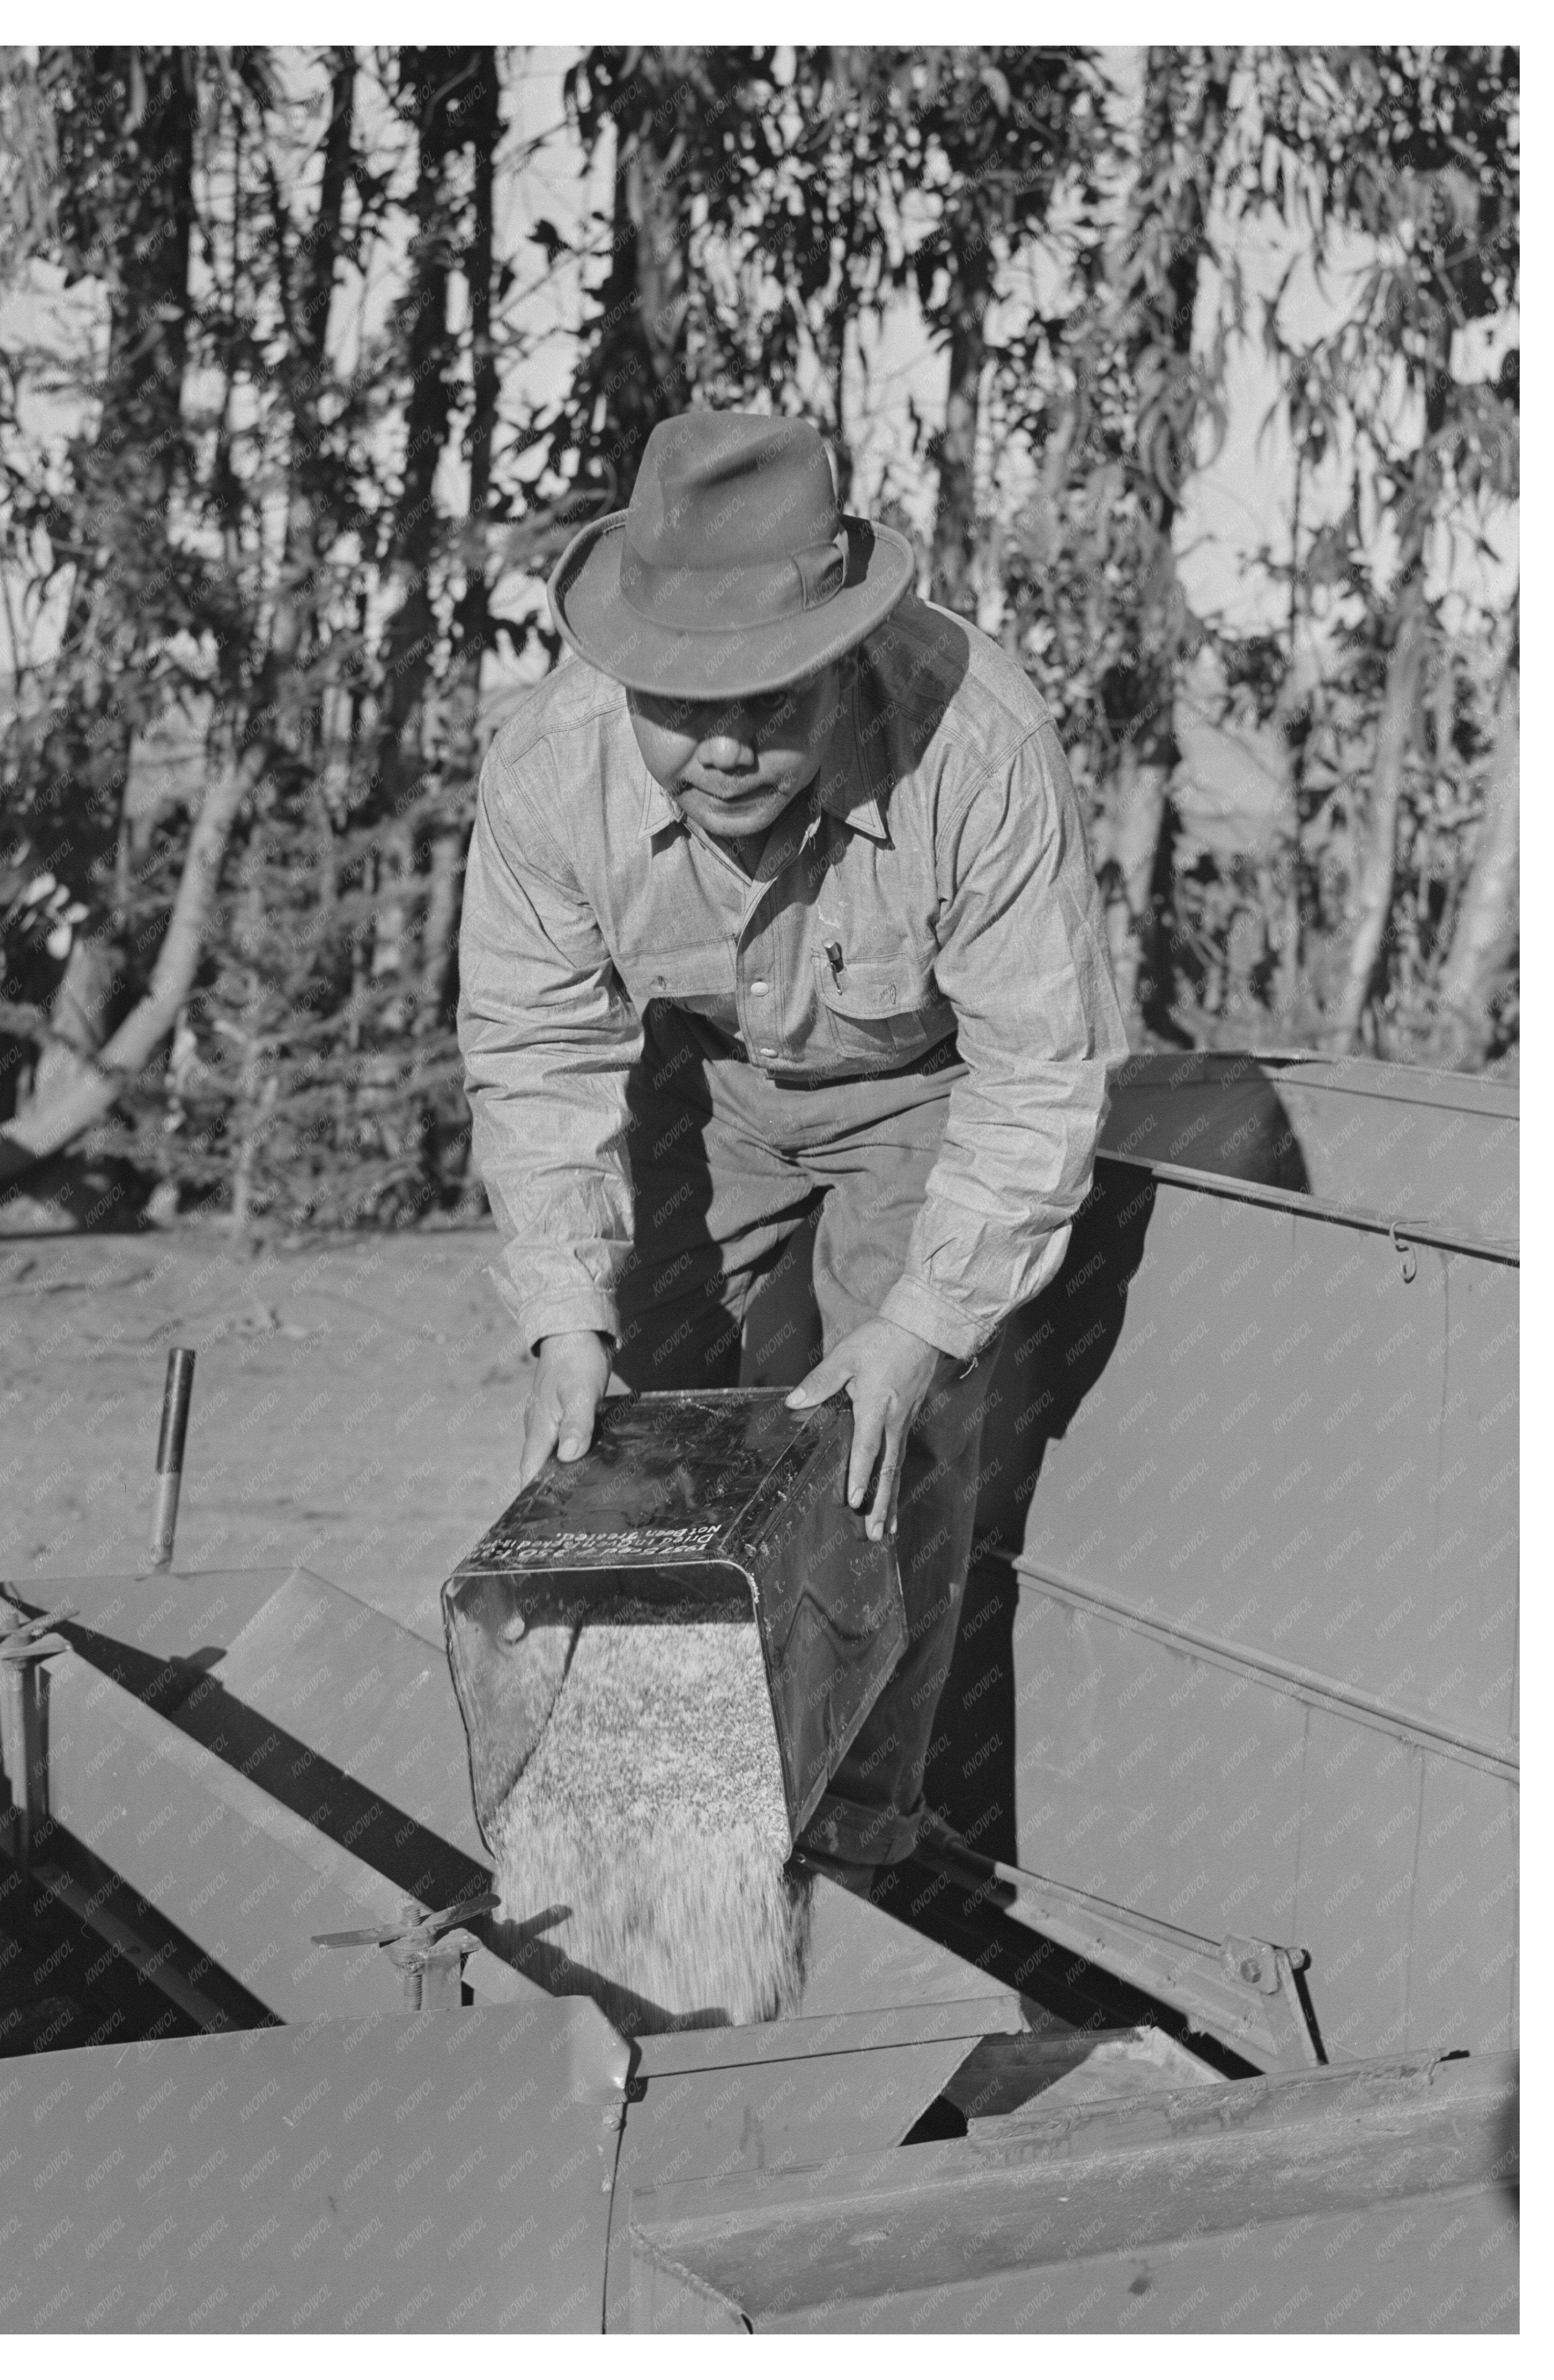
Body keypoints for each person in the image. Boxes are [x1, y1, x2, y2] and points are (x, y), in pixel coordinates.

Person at [458, 411, 1126, 1896]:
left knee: (884, 1443)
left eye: (767, 701)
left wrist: (921, 1329)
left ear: (844, 659)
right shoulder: (549, 766)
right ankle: (635, 1826)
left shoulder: (979, 742)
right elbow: (539, 1052)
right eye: (678, 707)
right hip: (699, 1074)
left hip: (924, 1085)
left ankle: (851, 1846)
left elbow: (1036, 1070)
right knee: (618, 1433)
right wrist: (566, 1318)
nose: (722, 749)